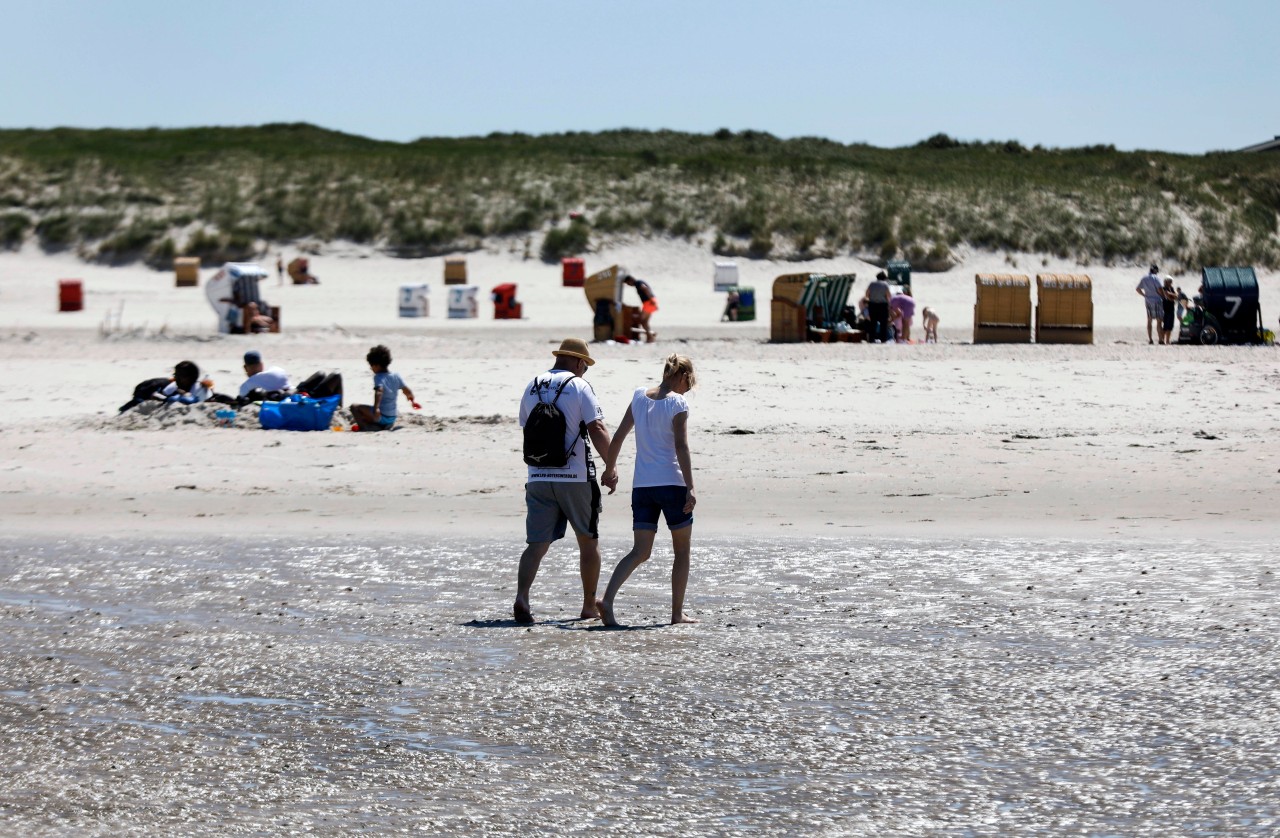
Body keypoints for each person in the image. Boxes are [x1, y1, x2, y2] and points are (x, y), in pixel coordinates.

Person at [514, 338, 618, 624]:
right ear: (579, 362)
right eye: (585, 366)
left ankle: (522, 596)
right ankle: (587, 607)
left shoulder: (532, 384)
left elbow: (526, 426)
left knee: (536, 544)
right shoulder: (578, 385)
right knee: (588, 540)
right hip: (574, 477)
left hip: (537, 475)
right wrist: (611, 466)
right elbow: (596, 427)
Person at [597, 354, 698, 627]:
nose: (686, 389)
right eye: (688, 384)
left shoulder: (639, 396)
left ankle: (606, 600)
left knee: (640, 551)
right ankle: (677, 614)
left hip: (642, 486)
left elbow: (617, 436)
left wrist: (609, 469)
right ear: (682, 376)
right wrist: (690, 486)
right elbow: (681, 447)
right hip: (672, 484)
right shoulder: (678, 403)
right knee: (682, 552)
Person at [350, 345, 418, 432]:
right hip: (392, 417)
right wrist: (412, 401)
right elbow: (408, 391)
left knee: (354, 407)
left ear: (377, 366)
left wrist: (376, 408)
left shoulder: (378, 377)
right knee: (367, 413)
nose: (371, 368)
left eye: (371, 366)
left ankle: (364, 427)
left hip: (381, 416)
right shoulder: (396, 376)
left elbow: (379, 391)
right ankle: (381, 425)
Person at [623, 274, 658, 342]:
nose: (629, 285)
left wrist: (650, 299)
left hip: (649, 302)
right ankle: (650, 336)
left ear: (630, 281)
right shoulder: (639, 282)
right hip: (651, 301)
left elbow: (645, 288)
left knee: (642, 321)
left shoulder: (638, 283)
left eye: (628, 283)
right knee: (645, 321)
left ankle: (650, 337)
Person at [1136, 264, 1163, 344]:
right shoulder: (1156, 278)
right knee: (1159, 321)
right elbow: (1160, 289)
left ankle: (1150, 339)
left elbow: (1138, 289)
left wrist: (1144, 295)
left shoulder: (1144, 278)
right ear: (1155, 271)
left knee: (1149, 320)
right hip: (1157, 300)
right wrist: (1163, 295)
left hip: (1148, 300)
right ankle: (1160, 339)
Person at [866, 271, 892, 343]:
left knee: (873, 323)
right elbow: (888, 296)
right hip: (882, 305)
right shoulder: (885, 284)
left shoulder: (871, 284)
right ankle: (883, 339)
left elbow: (867, 294)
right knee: (883, 323)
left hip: (873, 304)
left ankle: (871, 339)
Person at [1159, 276, 1178, 345]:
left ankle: (1168, 340)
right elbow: (1169, 297)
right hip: (1165, 309)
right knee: (1165, 326)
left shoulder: (1171, 288)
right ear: (1166, 281)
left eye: (1171, 281)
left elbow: (1176, 295)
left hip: (1171, 309)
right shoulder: (1163, 288)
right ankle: (1162, 340)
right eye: (1170, 281)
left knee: (1170, 326)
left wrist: (1172, 295)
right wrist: (1173, 295)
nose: (1171, 283)